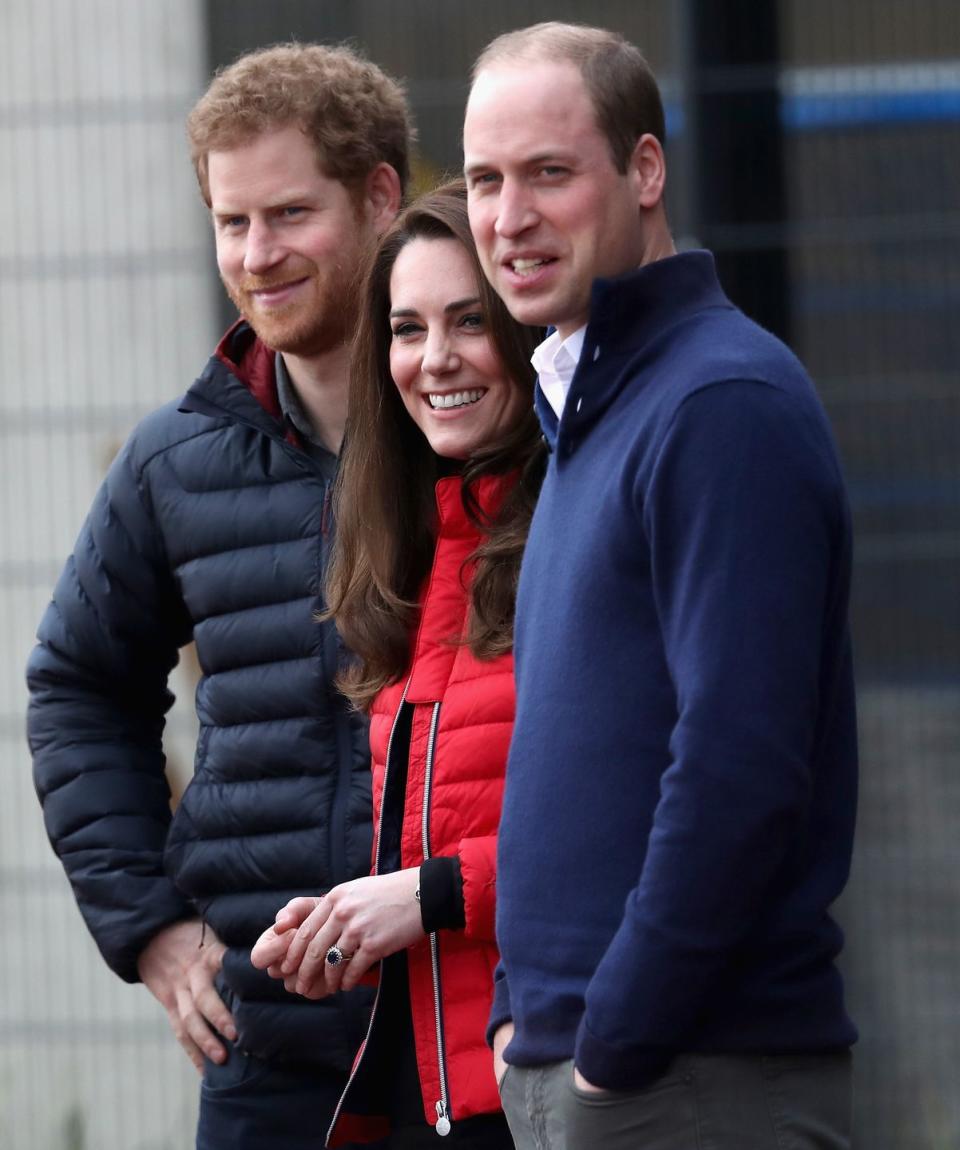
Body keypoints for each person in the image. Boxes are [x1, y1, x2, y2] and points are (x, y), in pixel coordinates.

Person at [462, 21, 859, 1150]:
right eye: (487, 179)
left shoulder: (717, 403)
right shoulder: (590, 409)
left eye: (549, 172)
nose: (508, 217)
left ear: (644, 170)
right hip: (599, 1074)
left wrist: (611, 1040)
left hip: (689, 1079)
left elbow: (740, 761)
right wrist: (522, 1017)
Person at [26, 42, 411, 1150]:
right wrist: (147, 926)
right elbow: (75, 684)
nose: (257, 254)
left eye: (289, 214)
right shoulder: (175, 458)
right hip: (270, 1051)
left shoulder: (485, 425)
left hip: (475, 1027)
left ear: (381, 195)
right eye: (232, 222)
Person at [250, 181, 545, 1148]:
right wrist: (346, 926)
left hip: (546, 1081)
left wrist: (417, 899)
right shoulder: (414, 555)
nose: (436, 359)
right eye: (408, 329)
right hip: (432, 1091)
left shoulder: (578, 532)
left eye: (470, 321)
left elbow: (616, 830)